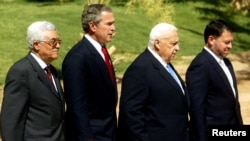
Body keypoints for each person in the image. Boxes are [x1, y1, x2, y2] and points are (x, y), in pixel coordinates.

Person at [118, 23, 190, 141]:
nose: (178, 48)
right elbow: (132, 116)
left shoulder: (165, 64)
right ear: (157, 43)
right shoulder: (140, 69)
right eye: (173, 44)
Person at [0, 21, 65, 141]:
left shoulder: (52, 71)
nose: (58, 46)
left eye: (58, 41)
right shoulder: (21, 72)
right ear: (36, 44)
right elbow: (11, 122)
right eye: (52, 42)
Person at [62, 4, 118, 141]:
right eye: (108, 24)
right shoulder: (77, 58)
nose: (113, 28)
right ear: (93, 26)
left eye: (113, 24)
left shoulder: (101, 51)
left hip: (108, 132)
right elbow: (77, 107)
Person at [185, 19, 243, 141]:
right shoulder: (200, 65)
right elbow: (197, 109)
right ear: (211, 40)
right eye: (227, 42)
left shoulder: (226, 62)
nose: (230, 46)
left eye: (231, 42)